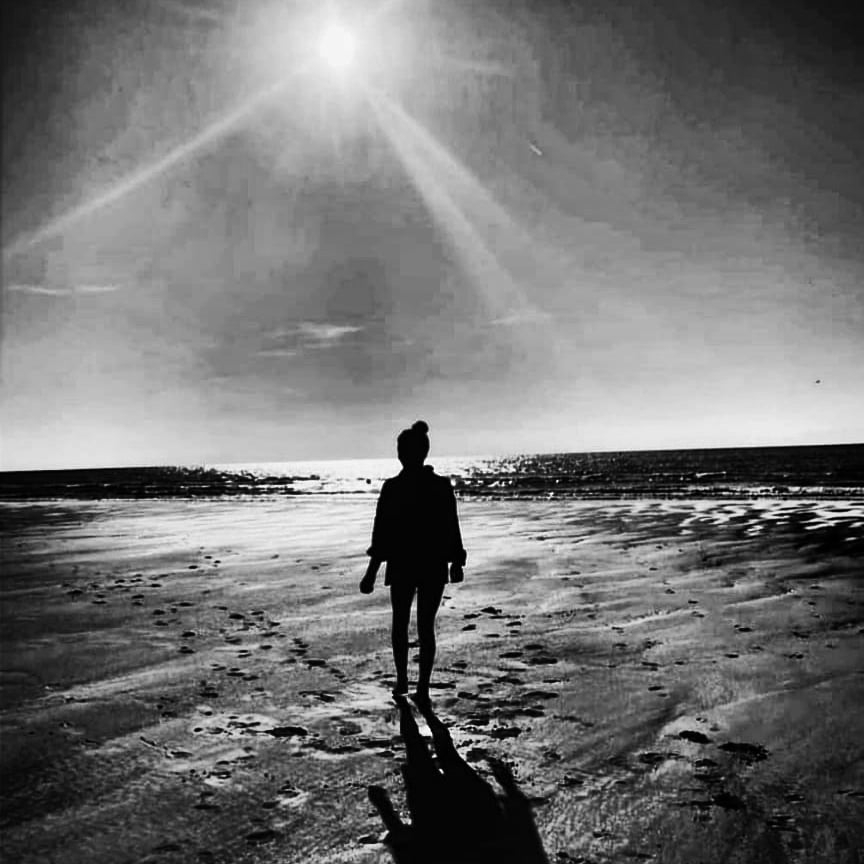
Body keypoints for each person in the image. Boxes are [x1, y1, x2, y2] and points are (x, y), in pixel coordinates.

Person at [360, 420, 466, 704]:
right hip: (430, 563)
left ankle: (405, 681)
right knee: (424, 628)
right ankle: (420, 687)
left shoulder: (394, 488)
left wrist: (371, 573)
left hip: (404, 563)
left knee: (402, 624)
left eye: (401, 449)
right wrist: (456, 560)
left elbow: (381, 534)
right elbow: (451, 527)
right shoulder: (439, 486)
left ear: (404, 453)